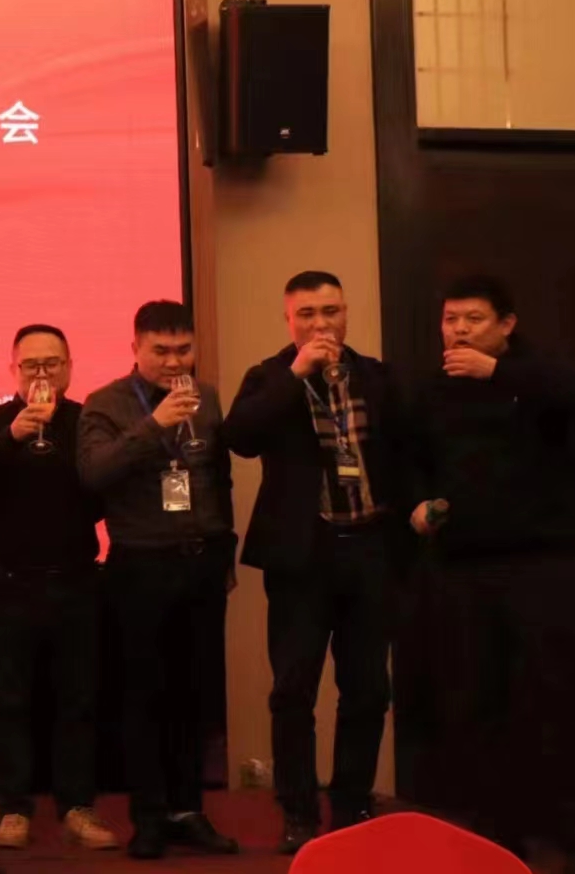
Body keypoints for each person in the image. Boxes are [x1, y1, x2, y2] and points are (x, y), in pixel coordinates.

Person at [220, 272, 402, 852]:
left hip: (368, 547)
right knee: (293, 690)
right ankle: (298, 812)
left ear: (346, 313)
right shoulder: (269, 376)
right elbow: (239, 437)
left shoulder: (376, 376)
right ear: (289, 320)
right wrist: (296, 374)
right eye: (307, 314)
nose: (321, 324)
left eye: (330, 312)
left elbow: (405, 451)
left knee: (368, 689)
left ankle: (351, 805)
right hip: (302, 556)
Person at [403, 275, 575, 859]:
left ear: (506, 324)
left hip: (539, 564)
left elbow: (565, 397)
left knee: (545, 696)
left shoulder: (537, 375)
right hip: (462, 566)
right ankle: (492, 833)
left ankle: (555, 826)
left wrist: (497, 373)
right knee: (473, 696)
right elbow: (412, 460)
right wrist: (420, 503)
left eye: (473, 319)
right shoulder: (432, 390)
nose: (459, 331)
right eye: (450, 320)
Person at [78, 301, 239, 860]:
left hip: (201, 562)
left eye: (183, 350)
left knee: (195, 694)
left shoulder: (208, 398)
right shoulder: (106, 404)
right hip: (140, 565)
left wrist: (224, 551)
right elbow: (94, 473)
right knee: (144, 695)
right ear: (136, 349)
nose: (174, 362)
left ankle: (188, 811)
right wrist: (155, 425)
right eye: (161, 351)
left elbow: (220, 478)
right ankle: (148, 817)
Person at [0, 329, 118, 852]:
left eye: (52, 364)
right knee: (10, 702)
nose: (42, 375)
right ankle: (13, 809)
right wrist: (12, 435)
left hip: (77, 579)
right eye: (31, 366)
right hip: (12, 582)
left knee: (79, 700)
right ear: (14, 371)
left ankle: (77, 807)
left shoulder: (88, 421)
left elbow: (106, 489)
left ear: (69, 367)